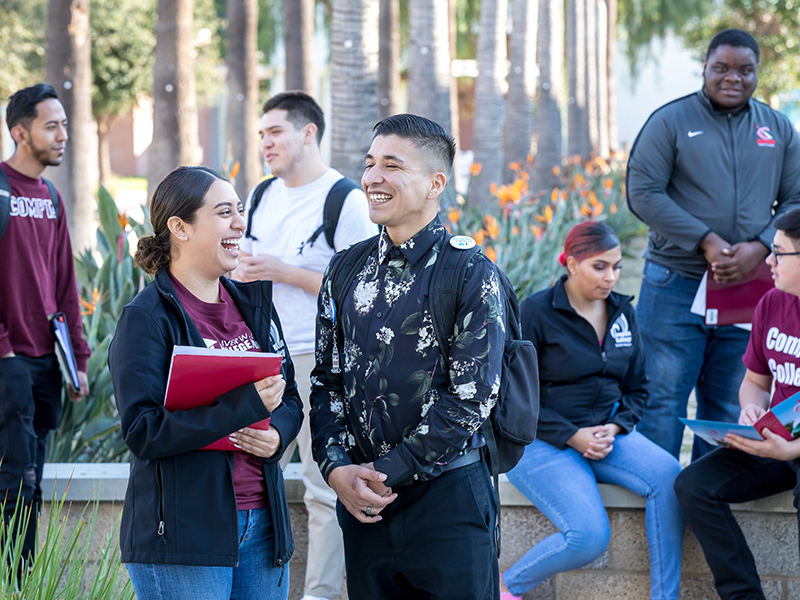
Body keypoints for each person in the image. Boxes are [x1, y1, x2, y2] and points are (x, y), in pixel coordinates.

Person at [309, 114, 504, 600]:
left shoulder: (470, 274)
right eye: (370, 163)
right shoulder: (344, 268)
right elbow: (325, 383)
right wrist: (336, 469)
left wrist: (382, 474)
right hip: (364, 508)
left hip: (449, 503)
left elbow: (470, 401)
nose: (373, 177)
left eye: (392, 165)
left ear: (436, 183)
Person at [108, 166, 303, 600]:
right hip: (184, 536)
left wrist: (277, 439)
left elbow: (289, 396)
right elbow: (143, 432)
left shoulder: (253, 306)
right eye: (223, 212)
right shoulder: (146, 319)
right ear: (179, 227)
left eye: (240, 210)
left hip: (263, 528)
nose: (239, 223)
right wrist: (244, 407)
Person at [626, 28, 800, 460]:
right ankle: (659, 518)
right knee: (661, 406)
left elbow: (797, 197)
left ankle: (705, 508)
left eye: (745, 70)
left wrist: (761, 246)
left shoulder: (778, 128)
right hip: (675, 283)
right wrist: (704, 240)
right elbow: (643, 191)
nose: (733, 78)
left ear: (758, 72)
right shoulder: (670, 120)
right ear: (705, 66)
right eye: (721, 67)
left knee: (728, 406)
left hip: (748, 288)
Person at [231, 91, 375, 600]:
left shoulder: (346, 200)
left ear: (308, 131)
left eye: (274, 132)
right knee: (247, 476)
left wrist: (284, 273)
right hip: (263, 359)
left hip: (321, 360)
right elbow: (242, 268)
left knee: (321, 487)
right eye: (262, 134)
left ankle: (319, 595)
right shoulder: (262, 195)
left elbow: (362, 291)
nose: (265, 143)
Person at [501, 221, 684, 600]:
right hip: (540, 440)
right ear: (570, 263)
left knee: (670, 476)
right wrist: (572, 435)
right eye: (600, 266)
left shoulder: (621, 312)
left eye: (616, 266)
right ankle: (504, 587)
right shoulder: (535, 312)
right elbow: (515, 397)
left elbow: (637, 388)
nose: (611, 277)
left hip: (604, 434)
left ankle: (665, 597)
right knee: (589, 536)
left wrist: (615, 427)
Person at [675, 207, 800, 600]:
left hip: (791, 446)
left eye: (778, 252)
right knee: (694, 485)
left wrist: (792, 450)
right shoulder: (772, 304)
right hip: (773, 441)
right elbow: (755, 382)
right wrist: (752, 409)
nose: (768, 261)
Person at [0, 83, 90, 561]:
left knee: (30, 482)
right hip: (7, 360)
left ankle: (21, 583)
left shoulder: (51, 197)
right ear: (19, 131)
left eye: (64, 125)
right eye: (51, 125)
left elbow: (64, 285)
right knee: (11, 482)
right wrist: (6, 353)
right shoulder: (0, 189)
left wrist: (75, 360)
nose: (62, 135)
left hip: (44, 364)